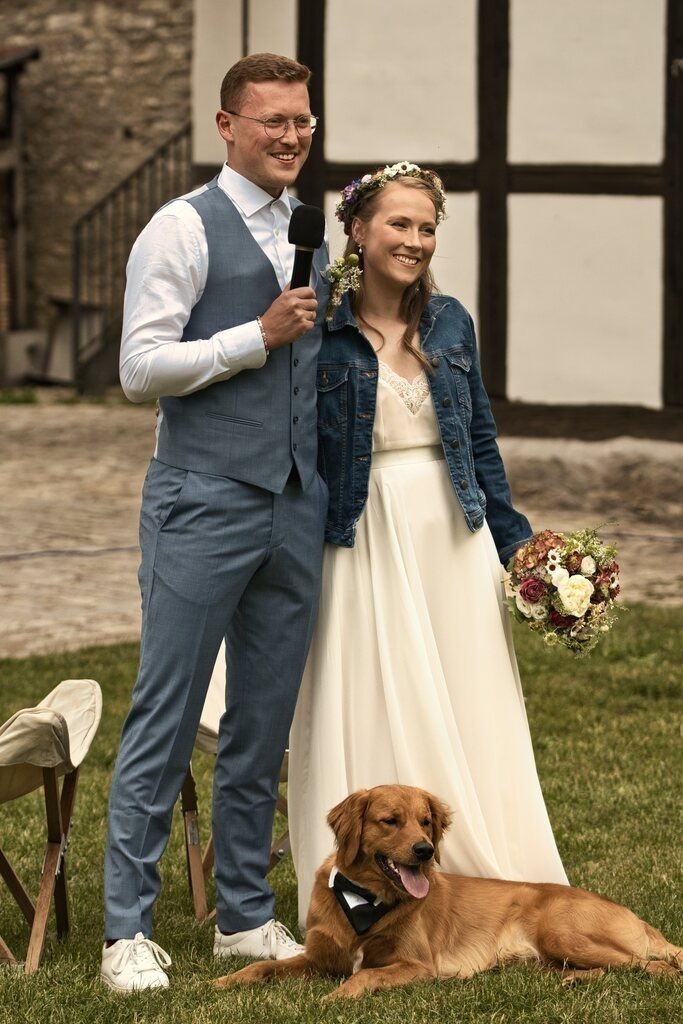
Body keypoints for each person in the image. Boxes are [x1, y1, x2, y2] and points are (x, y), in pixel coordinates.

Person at [288, 162, 568, 931]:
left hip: (451, 534)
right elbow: (296, 445)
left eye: (424, 227)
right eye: (397, 224)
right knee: (368, 684)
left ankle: (482, 869)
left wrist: (520, 549)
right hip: (359, 530)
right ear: (356, 231)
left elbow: (478, 438)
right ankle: (360, 885)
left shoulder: (450, 323)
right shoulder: (320, 325)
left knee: (469, 692)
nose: (413, 241)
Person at [100, 53, 330, 992]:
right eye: (272, 121)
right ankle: (125, 931)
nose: (289, 137)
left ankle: (242, 914)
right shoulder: (179, 228)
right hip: (200, 499)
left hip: (293, 506)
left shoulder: (314, 230)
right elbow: (138, 368)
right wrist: (255, 338)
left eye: (302, 122)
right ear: (227, 125)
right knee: (165, 710)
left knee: (260, 726)